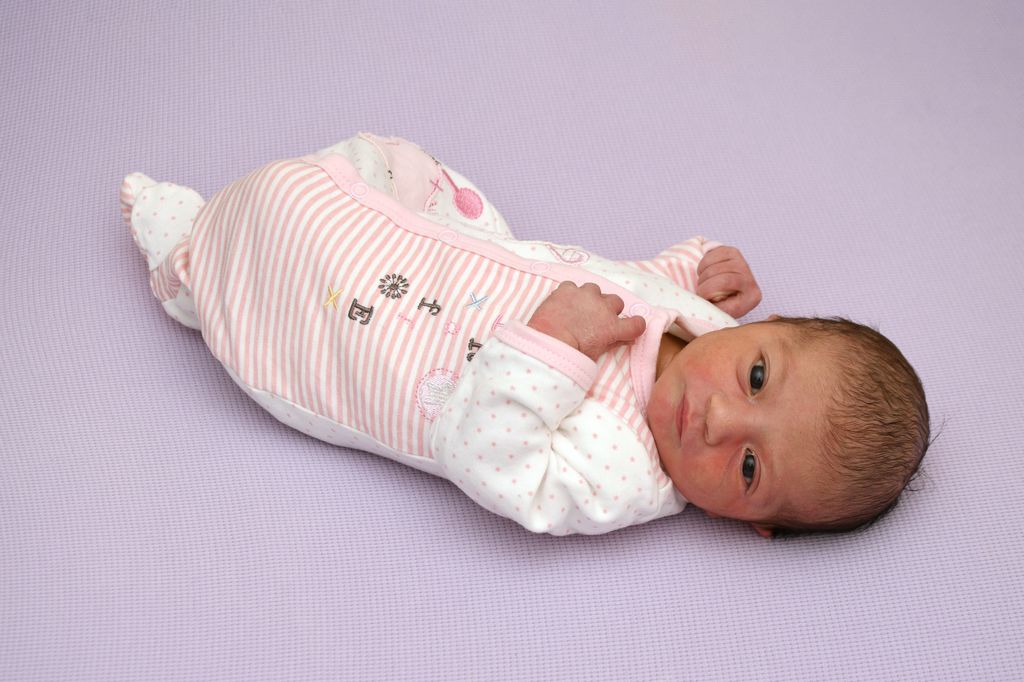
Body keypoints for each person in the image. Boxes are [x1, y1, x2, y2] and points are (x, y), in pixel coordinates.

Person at [121, 133, 928, 537]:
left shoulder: (623, 473)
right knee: (370, 174)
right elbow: (641, 277)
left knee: (262, 293)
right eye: (757, 376)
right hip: (433, 257)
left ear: (755, 525)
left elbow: (495, 463)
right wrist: (703, 268)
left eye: (749, 466)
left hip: (367, 343)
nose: (719, 420)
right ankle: (245, 219)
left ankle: (189, 254)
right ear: (768, 326)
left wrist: (553, 348)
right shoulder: (703, 327)